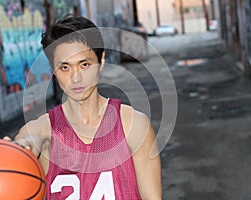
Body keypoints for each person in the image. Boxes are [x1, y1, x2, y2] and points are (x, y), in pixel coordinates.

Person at [14, 14, 162, 199]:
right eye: (65, 68)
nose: (76, 78)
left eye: (84, 65)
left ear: (101, 62)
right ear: (53, 70)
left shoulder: (134, 126)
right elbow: (27, 141)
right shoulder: (43, 131)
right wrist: (15, 150)